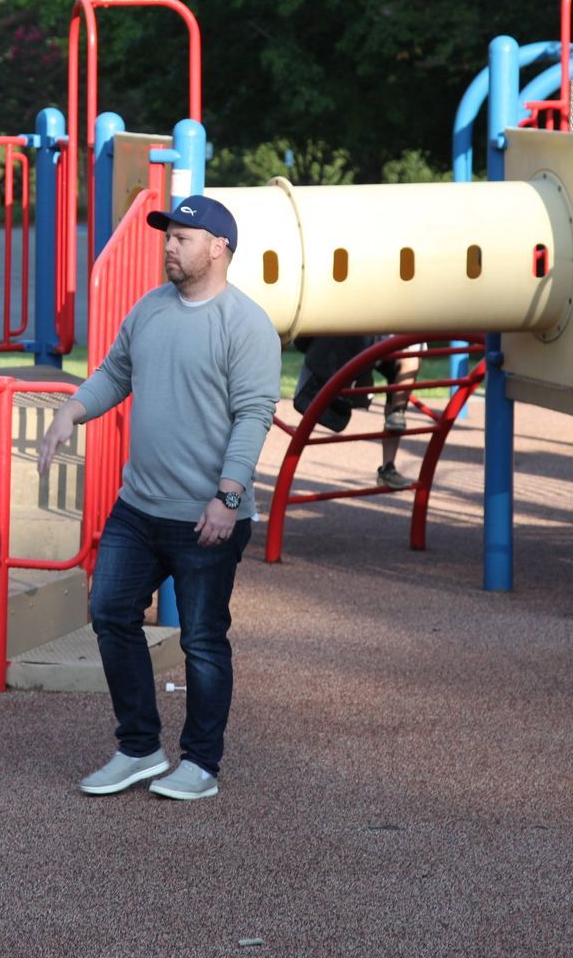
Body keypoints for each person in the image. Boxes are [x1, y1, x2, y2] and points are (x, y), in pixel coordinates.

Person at [38, 194, 281, 801]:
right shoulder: (149, 310)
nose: (170, 247)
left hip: (208, 515)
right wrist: (73, 408)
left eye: (183, 238)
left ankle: (201, 764)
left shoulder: (246, 324)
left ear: (218, 247)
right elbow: (116, 374)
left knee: (201, 640)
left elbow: (254, 414)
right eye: (167, 236)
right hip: (139, 508)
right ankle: (140, 748)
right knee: (110, 612)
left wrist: (228, 497)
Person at [291, 336, 420, 489]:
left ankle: (389, 463)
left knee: (410, 362)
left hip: (387, 343)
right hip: (362, 340)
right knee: (339, 354)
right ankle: (314, 396)